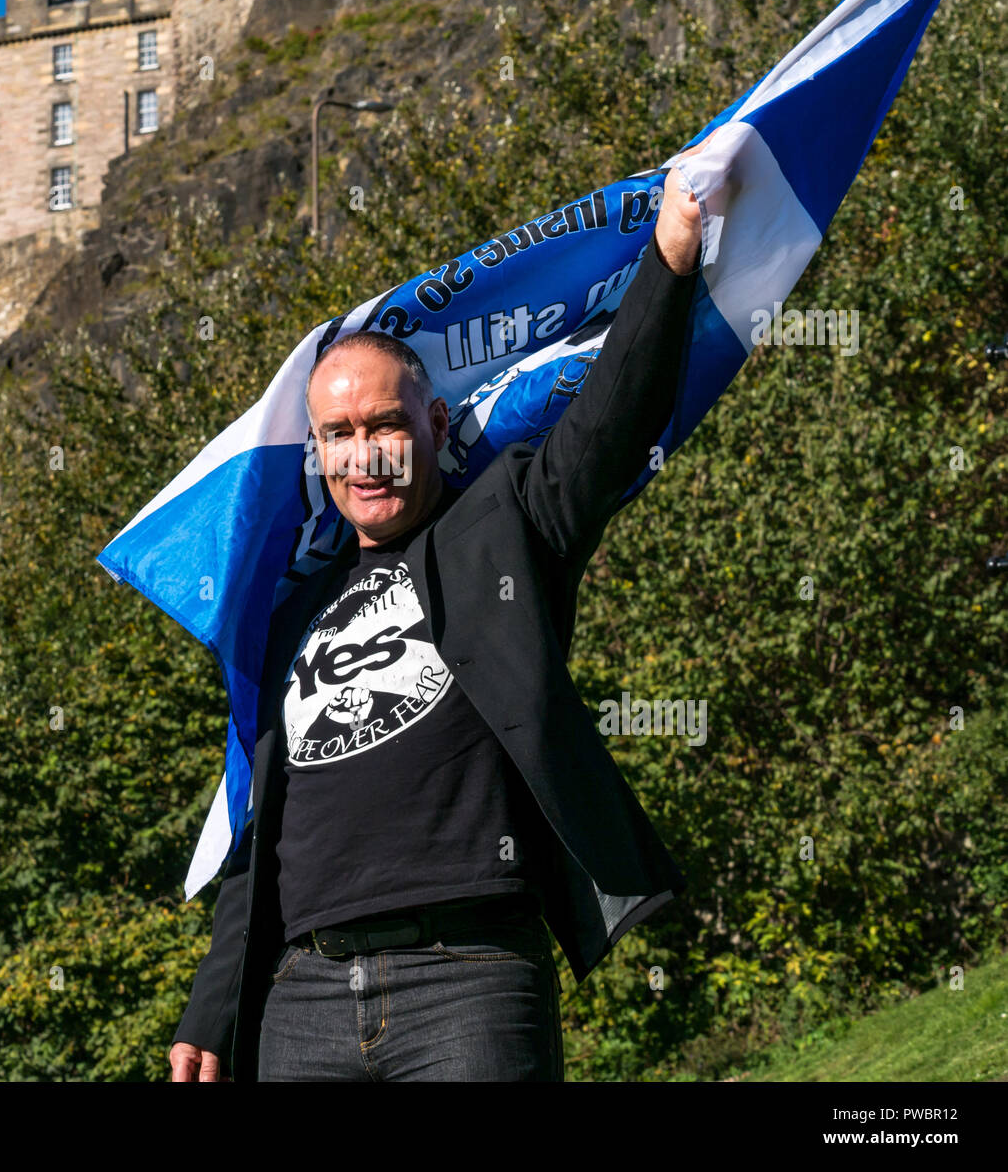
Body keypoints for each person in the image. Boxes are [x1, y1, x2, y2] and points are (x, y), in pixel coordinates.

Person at [170, 140, 714, 1081]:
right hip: (299, 996)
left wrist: (669, 257)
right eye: (338, 434)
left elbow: (605, 432)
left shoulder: (504, 528)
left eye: (384, 424)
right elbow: (258, 841)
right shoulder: (288, 608)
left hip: (467, 980)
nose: (363, 452)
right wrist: (214, 1011)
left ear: (430, 427)